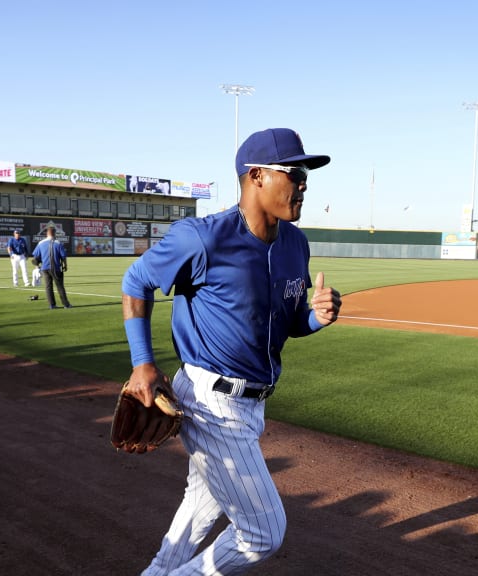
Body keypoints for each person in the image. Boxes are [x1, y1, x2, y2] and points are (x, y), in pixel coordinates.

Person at [121, 128, 341, 575]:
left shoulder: (295, 243)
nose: (303, 183)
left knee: (197, 513)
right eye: (294, 172)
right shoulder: (203, 238)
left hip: (251, 405)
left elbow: (289, 323)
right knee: (263, 532)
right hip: (209, 401)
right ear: (256, 175)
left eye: (306, 174)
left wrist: (317, 316)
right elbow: (135, 281)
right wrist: (142, 362)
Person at [31, 226, 71, 309]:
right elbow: (63, 256)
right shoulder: (58, 243)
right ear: (54, 233)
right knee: (60, 286)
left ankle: (52, 305)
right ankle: (66, 304)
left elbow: (35, 257)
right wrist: (65, 265)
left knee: (48, 287)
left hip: (44, 268)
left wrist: (36, 267)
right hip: (55, 267)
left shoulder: (40, 243)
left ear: (47, 233)